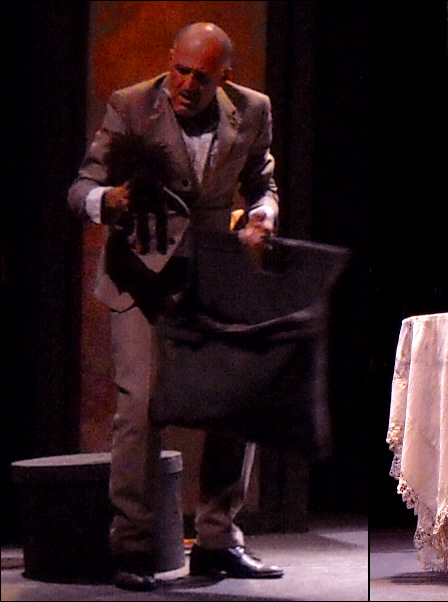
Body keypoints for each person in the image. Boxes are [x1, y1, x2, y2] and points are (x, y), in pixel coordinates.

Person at [68, 22, 284, 591]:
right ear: (170, 61)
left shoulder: (253, 109)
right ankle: (133, 547)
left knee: (236, 401)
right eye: (180, 71)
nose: (187, 84)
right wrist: (108, 200)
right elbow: (81, 187)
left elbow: (262, 183)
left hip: (211, 272)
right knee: (142, 407)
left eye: (201, 77)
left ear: (224, 77)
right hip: (141, 273)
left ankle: (217, 539)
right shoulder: (132, 105)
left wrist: (262, 216)